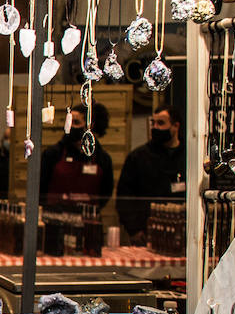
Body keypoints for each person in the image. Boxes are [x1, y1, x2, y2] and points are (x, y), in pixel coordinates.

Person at [116, 106, 186, 244]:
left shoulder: (189, 156)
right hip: (147, 231)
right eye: (153, 123)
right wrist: (134, 229)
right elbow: (124, 195)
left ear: (175, 126)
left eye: (161, 123)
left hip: (182, 232)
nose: (155, 127)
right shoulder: (138, 157)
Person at [41, 102, 114, 210]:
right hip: (54, 219)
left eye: (75, 122)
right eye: (69, 122)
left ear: (90, 125)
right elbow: (41, 188)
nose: (70, 126)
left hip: (88, 220)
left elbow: (105, 193)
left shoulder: (102, 158)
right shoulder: (53, 154)